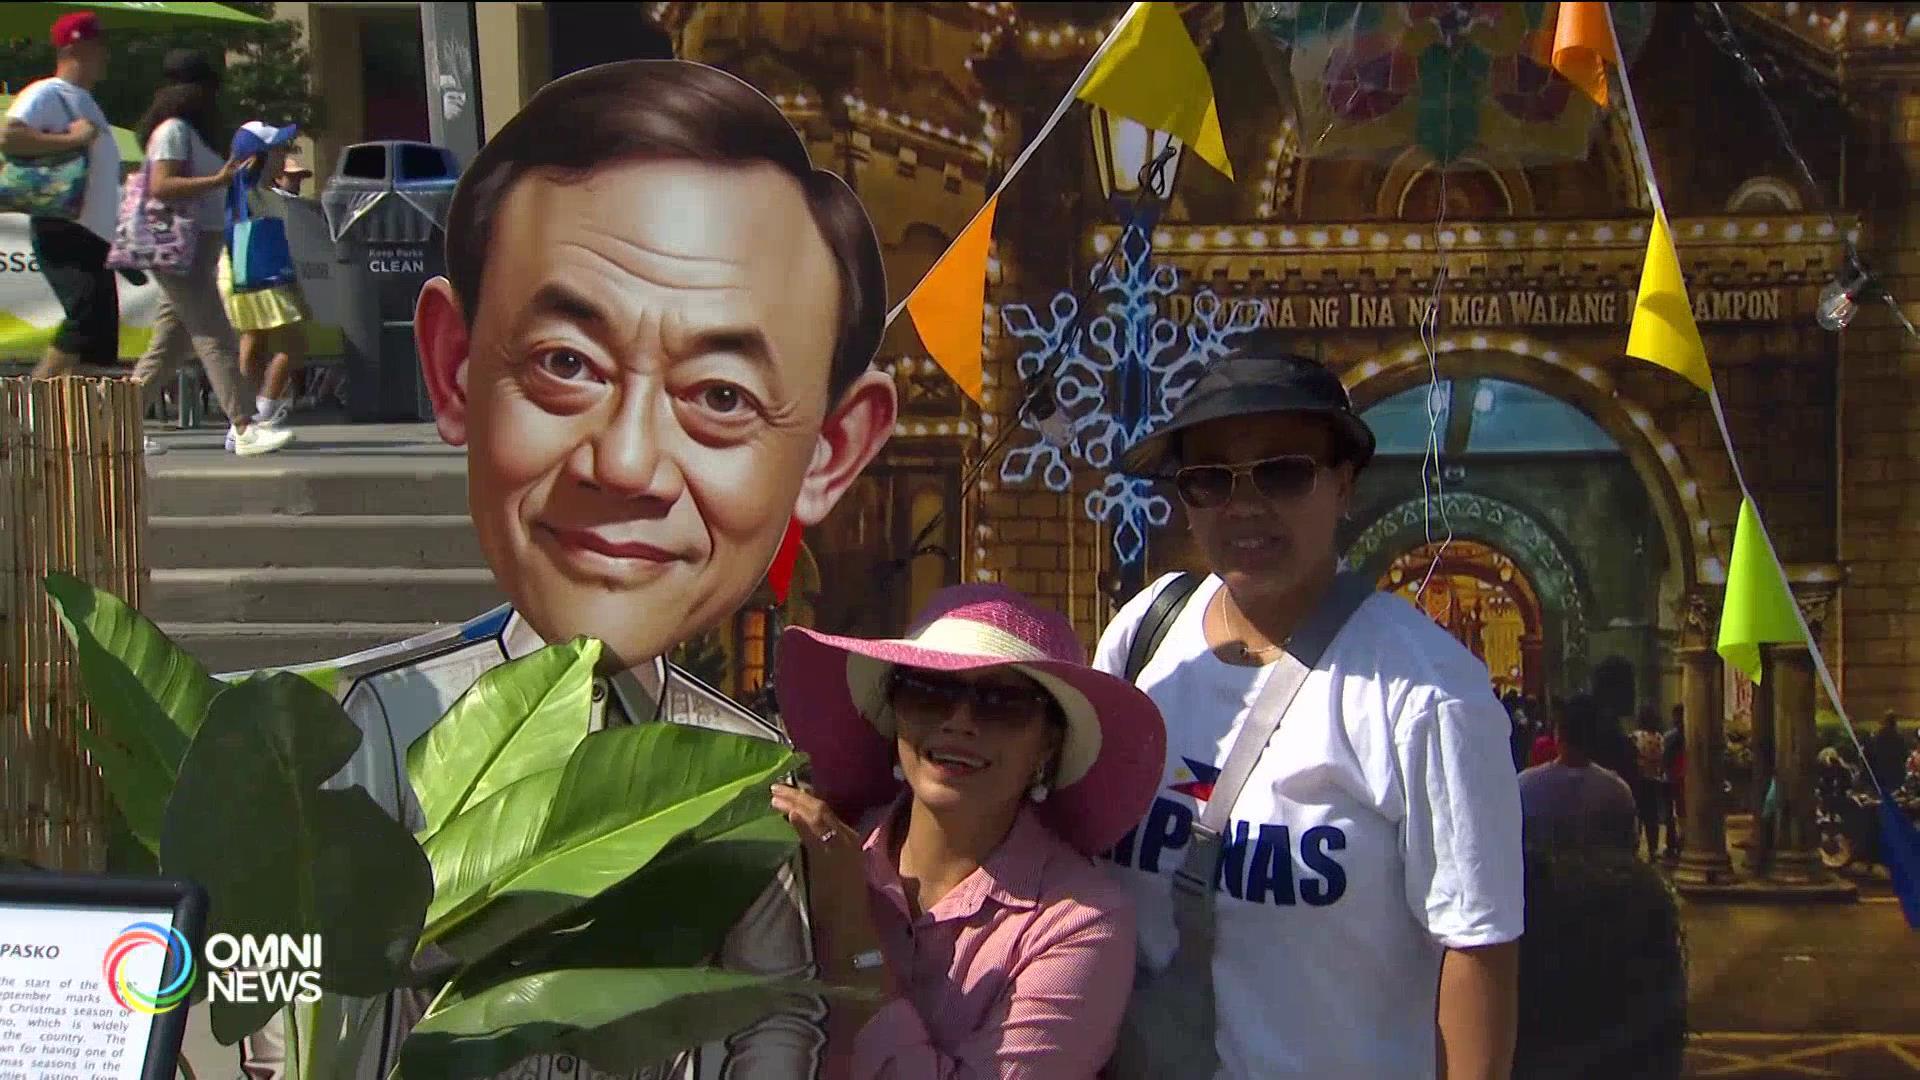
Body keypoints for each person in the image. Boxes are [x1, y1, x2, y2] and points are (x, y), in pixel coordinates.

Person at [238, 59, 897, 1080]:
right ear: (456, 366)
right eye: (564, 364)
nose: (625, 463)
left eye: (720, 396)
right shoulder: (359, 732)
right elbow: (269, 994)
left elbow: (777, 1004)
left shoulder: (733, 763)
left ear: (830, 453)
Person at [1095, 332, 1524, 1080]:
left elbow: (1477, 950)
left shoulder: (1425, 691)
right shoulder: (1144, 634)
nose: (1244, 507)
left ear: (1343, 484)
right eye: (1209, 480)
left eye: (1284, 474)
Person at [767, 584, 1163, 1078]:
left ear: (1048, 746)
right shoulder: (807, 851)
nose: (959, 722)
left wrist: (852, 928)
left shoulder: (1080, 923)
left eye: (1002, 703)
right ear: (895, 714)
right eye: (929, 691)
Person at [125, 49, 291, 457]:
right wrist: (217, 179)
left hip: (196, 246)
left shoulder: (188, 132)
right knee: (213, 333)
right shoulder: (174, 130)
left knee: (170, 346)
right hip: (181, 247)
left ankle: (115, 424)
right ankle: (245, 426)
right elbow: (160, 186)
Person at [3, 12, 120, 380]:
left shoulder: (86, 101)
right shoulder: (47, 92)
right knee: (83, 318)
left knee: (100, 342)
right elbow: (9, 137)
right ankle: (25, 414)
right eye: (100, 46)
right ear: (76, 48)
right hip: (63, 226)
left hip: (95, 234)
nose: (107, 55)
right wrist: (73, 140)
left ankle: (81, 434)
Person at [217, 120, 309, 445]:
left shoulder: (266, 193)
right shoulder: (245, 187)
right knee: (292, 344)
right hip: (257, 272)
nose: (284, 156)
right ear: (258, 157)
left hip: (242, 271)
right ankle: (263, 412)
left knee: (253, 341)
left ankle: (246, 419)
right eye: (278, 150)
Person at [1518, 694, 1640, 853]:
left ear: (1558, 733)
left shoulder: (1524, 786)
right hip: (1600, 876)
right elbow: (1629, 847)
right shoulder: (1618, 792)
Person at [1630, 706, 1668, 859]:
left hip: (1639, 779)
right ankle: (1653, 849)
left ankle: (1635, 847)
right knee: (1652, 817)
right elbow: (1662, 758)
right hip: (1654, 779)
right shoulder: (1659, 738)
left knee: (1637, 815)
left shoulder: (1636, 737)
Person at [1869, 711, 1908, 794]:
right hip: (1896, 771)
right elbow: (1904, 754)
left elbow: (1872, 753)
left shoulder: (1878, 736)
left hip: (1881, 770)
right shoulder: (1899, 736)